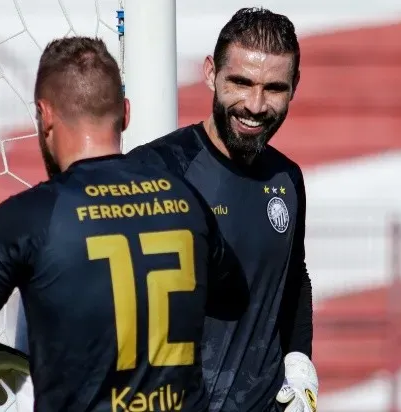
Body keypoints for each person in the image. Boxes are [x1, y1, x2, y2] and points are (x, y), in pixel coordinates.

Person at [0, 35, 247, 412]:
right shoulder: (185, 199)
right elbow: (233, 297)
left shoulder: (29, 217)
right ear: (125, 112)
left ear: (45, 115)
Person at [128, 7, 317, 412]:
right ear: (211, 72)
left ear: (295, 85)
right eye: (240, 82)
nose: (255, 104)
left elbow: (293, 276)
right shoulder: (155, 170)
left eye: (274, 88)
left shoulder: (287, 179)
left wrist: (300, 362)